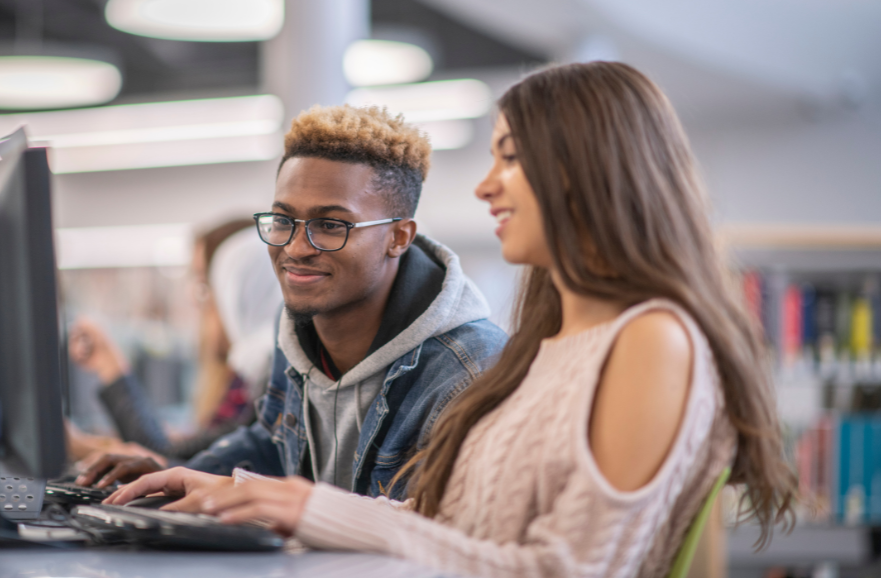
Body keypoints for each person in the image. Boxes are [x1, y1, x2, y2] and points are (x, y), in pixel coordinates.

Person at [107, 62, 796, 577]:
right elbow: (450, 522)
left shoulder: (652, 341)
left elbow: (563, 569)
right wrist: (248, 493)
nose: (484, 184)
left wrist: (305, 507)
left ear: (589, 171)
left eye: (511, 157)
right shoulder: (552, 343)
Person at [81, 104, 508, 495]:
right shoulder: (298, 329)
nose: (296, 248)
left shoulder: (469, 373)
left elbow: (440, 538)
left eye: (330, 225)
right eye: (283, 220)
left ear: (398, 237)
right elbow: (273, 444)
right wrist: (169, 473)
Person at [68, 221, 281, 466]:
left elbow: (179, 460)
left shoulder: (266, 374)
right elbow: (190, 454)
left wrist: (109, 365)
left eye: (205, 285)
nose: (198, 302)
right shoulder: (249, 372)